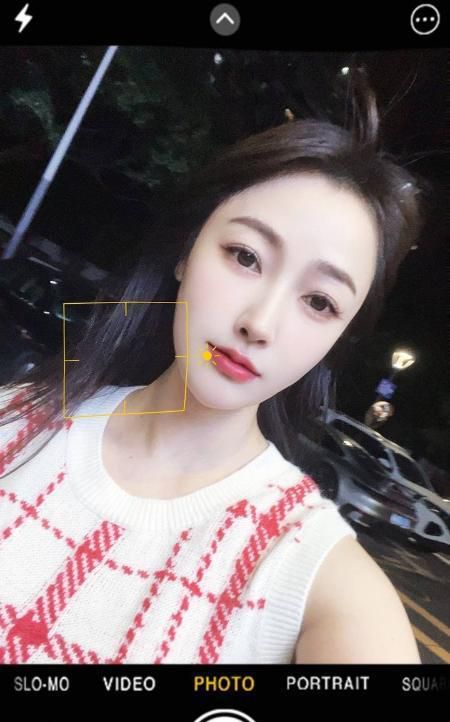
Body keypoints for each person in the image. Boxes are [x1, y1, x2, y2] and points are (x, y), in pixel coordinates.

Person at [0, 69, 426, 664]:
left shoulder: (317, 579)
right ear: (186, 252)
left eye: (319, 302)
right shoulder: (18, 418)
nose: (261, 323)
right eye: (245, 256)